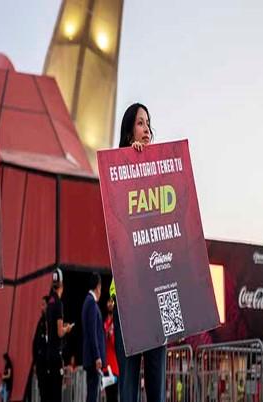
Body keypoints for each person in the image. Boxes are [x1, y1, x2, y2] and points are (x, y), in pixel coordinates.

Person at [112, 103, 167, 402]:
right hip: (128, 293)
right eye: (140, 123)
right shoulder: (117, 175)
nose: (146, 130)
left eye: (148, 123)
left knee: (158, 382)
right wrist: (130, 166)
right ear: (128, 130)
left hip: (157, 291)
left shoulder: (164, 176)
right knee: (129, 383)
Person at [43, 268, 74, 402]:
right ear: (61, 284)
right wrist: (67, 328)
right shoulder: (58, 304)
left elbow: (50, 327)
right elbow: (59, 332)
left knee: (49, 391)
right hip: (56, 354)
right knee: (57, 393)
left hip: (49, 353)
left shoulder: (49, 303)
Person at [81, 273, 106, 402]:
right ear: (98, 286)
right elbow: (92, 333)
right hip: (93, 359)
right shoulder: (91, 303)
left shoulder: (87, 302)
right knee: (92, 394)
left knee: (92, 393)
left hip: (91, 358)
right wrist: (97, 356)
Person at [32, 296, 48, 402]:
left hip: (50, 365)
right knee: (43, 393)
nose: (41, 307)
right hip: (41, 365)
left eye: (43, 304)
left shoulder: (53, 321)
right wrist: (35, 363)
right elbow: (35, 344)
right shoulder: (41, 322)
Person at [104, 296, 119, 402]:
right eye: (108, 301)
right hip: (106, 367)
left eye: (112, 302)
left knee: (113, 397)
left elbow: (116, 344)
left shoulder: (116, 322)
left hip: (114, 368)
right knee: (109, 397)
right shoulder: (105, 322)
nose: (110, 304)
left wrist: (111, 335)